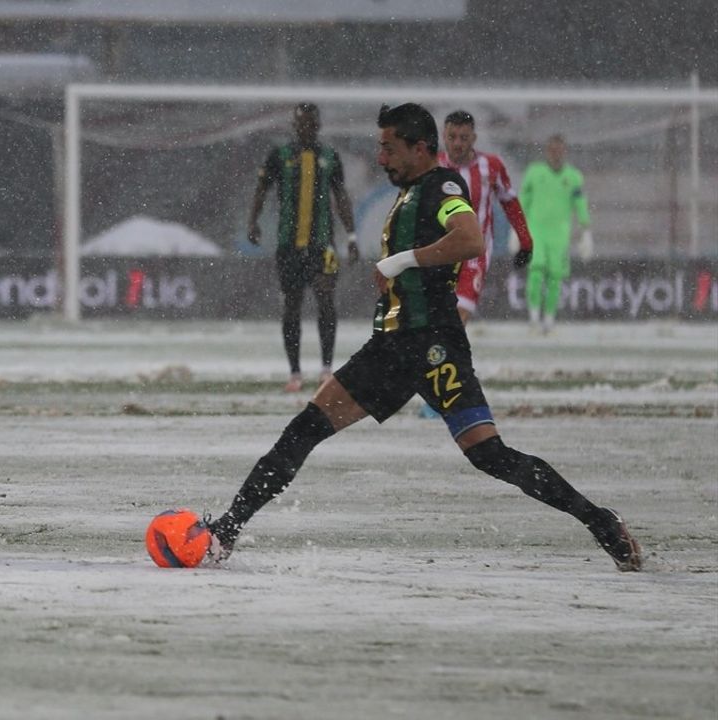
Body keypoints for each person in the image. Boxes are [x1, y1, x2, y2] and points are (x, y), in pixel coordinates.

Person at [204, 104, 641, 573]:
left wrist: (401, 261)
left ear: (419, 147)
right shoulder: (414, 190)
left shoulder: (442, 187)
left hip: (427, 345)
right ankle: (227, 530)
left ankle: (602, 523)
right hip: (399, 345)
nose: (380, 158)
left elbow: (471, 238)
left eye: (388, 148)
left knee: (481, 454)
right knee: (313, 430)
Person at [247, 103, 359, 393]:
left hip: (323, 245)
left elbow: (341, 196)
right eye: (301, 122)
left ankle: (326, 369)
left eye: (310, 122)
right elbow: (262, 189)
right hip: (289, 246)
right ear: (294, 125)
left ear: (318, 125)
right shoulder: (280, 156)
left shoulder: (329, 157)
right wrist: (253, 222)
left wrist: (352, 236)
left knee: (325, 299)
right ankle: (295, 373)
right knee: (292, 306)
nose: (305, 127)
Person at [438, 110, 535, 324]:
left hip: (475, 252)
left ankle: (441, 354)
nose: (457, 144)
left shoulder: (491, 166)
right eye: (452, 137)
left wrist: (526, 241)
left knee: (460, 314)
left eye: (464, 138)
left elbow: (510, 202)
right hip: (438, 252)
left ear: (474, 138)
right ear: (444, 137)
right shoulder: (432, 168)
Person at [520, 134, 593, 334]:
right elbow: (523, 199)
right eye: (552, 150)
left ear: (565, 152)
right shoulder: (534, 173)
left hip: (560, 235)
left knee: (555, 278)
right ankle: (534, 319)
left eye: (559, 150)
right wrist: (515, 227)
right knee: (535, 272)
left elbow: (580, 203)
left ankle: (549, 320)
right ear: (546, 151)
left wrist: (586, 230)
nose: (555, 154)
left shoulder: (573, 177)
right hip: (536, 231)